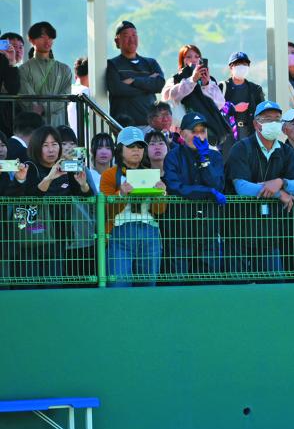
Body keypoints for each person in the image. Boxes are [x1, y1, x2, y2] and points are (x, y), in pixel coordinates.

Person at [223, 101, 294, 276]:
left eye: (277, 119)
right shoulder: (241, 148)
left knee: (274, 290)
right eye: (268, 119)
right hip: (239, 234)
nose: (273, 123)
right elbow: (242, 188)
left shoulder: (286, 151)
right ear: (256, 124)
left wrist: (281, 182)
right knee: (237, 290)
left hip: (270, 236)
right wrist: (279, 193)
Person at [11, 125, 93, 280]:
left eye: (55, 144)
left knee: (54, 280)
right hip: (32, 234)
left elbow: (87, 197)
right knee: (29, 280)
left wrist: (83, 184)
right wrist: (49, 178)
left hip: (59, 234)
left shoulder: (67, 168)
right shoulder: (30, 167)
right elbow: (30, 199)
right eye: (45, 145)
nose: (51, 150)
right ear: (36, 147)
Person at [99, 126, 168, 286]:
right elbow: (106, 212)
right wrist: (120, 195)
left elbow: (159, 210)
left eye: (140, 146)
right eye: (131, 146)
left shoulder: (150, 173)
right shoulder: (109, 175)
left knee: (148, 288)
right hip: (119, 234)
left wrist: (162, 194)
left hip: (150, 233)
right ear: (120, 149)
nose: (136, 150)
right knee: (119, 286)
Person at [162, 112, 225, 277]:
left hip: (208, 233)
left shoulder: (215, 156)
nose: (199, 136)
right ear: (182, 134)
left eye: (202, 131)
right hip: (180, 232)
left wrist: (204, 160)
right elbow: (176, 187)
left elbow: (217, 185)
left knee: (207, 284)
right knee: (178, 284)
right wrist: (207, 192)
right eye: (193, 131)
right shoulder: (173, 156)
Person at [162, 45, 232, 149]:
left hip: (205, 131)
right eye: (188, 57)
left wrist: (206, 85)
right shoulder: (175, 79)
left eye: (196, 56)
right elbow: (170, 96)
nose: (193, 60)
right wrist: (192, 80)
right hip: (182, 133)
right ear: (182, 60)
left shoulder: (209, 79)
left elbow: (220, 103)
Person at [105, 21, 165, 127]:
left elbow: (159, 84)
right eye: (126, 36)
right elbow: (117, 89)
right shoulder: (112, 64)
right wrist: (148, 84)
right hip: (123, 127)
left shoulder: (150, 63)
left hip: (150, 126)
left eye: (134, 35)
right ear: (117, 41)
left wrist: (133, 81)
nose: (131, 39)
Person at [18, 21, 72, 125]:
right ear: (31, 40)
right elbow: (26, 98)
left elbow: (66, 96)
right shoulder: (23, 69)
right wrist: (38, 107)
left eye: (50, 37)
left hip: (59, 124)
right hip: (35, 125)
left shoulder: (64, 69)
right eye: (42, 36)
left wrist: (43, 107)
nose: (47, 40)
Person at [220, 52, 266, 144]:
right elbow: (216, 110)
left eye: (245, 64)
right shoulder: (222, 87)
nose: (241, 67)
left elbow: (262, 113)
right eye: (238, 64)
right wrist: (234, 108)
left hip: (249, 134)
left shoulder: (255, 89)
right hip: (228, 135)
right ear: (231, 67)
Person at [0, 37, 23, 139]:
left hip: (4, 120)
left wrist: (10, 60)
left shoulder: (3, 60)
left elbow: (13, 89)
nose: (17, 50)